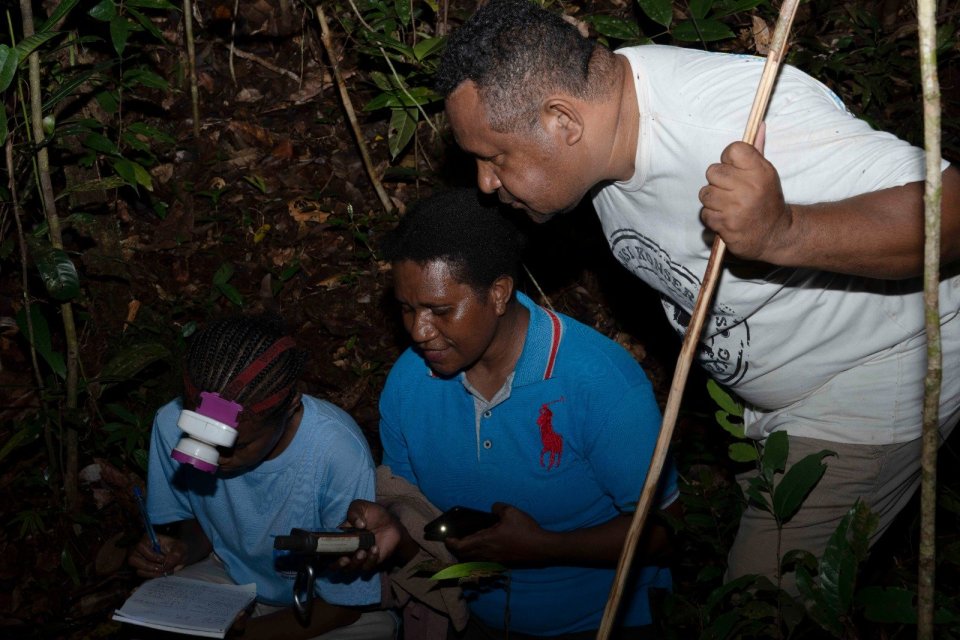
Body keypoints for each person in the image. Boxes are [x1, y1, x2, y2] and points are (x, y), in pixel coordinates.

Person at [432, 0, 960, 590]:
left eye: (493, 157)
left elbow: (952, 211)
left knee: (757, 610)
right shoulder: (604, 122)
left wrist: (786, 231)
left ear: (562, 121)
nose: (484, 182)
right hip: (770, 410)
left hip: (867, 383)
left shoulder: (724, 120)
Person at [343, 188, 680, 639]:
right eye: (407, 309)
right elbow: (411, 506)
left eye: (440, 310)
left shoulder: (598, 383)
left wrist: (546, 548)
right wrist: (393, 531)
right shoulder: (409, 384)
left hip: (602, 621)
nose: (419, 331)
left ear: (499, 293)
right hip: (475, 619)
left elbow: (665, 530)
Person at [127, 314, 397, 639]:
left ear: (291, 406)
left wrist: (246, 634)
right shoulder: (172, 426)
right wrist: (183, 547)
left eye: (235, 446)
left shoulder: (335, 451)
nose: (213, 458)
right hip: (231, 578)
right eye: (202, 442)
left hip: (322, 603)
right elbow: (204, 525)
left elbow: (344, 605)